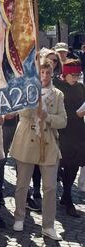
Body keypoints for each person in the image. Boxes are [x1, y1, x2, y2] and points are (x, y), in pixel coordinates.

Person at [10, 58, 67, 240]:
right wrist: (34, 104)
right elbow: (22, 112)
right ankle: (19, 216)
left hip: (48, 142)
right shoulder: (27, 89)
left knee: (50, 187)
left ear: (52, 73)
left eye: (48, 72)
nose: (44, 76)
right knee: (22, 184)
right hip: (27, 139)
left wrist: (48, 117)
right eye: (41, 72)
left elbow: (63, 120)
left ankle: (48, 225)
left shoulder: (57, 94)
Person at [53, 59, 85, 217]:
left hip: (78, 131)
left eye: (78, 75)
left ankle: (67, 196)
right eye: (73, 75)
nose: (76, 78)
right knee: (63, 164)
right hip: (62, 131)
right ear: (65, 74)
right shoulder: (57, 86)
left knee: (73, 166)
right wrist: (75, 114)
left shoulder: (80, 87)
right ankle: (67, 197)